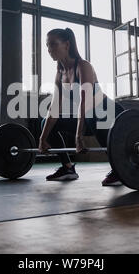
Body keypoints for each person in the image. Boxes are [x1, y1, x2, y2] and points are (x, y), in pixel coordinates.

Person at [39, 28, 125, 186]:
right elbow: (54, 108)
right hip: (88, 116)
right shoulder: (60, 73)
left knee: (92, 113)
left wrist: (78, 137)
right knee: (46, 122)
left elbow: (86, 103)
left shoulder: (83, 66)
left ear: (66, 44)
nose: (49, 49)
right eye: (47, 46)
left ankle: (120, 168)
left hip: (111, 114)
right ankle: (68, 168)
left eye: (53, 44)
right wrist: (42, 138)